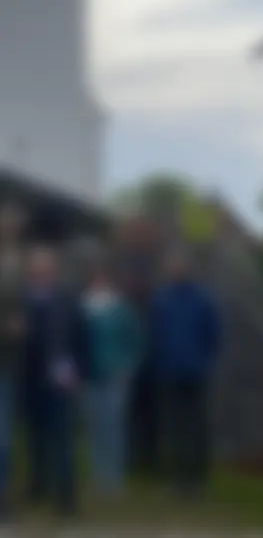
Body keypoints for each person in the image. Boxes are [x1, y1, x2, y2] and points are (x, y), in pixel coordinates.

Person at [21, 243, 89, 515]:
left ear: (54, 269)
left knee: (61, 438)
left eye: (46, 266)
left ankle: (66, 496)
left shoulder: (67, 298)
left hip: (60, 377)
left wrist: (79, 369)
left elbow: (81, 337)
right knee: (35, 436)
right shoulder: (24, 299)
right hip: (28, 378)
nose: (42, 271)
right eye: (37, 267)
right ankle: (39, 485)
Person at [148, 249, 220, 499]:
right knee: (175, 428)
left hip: (195, 372)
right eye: (172, 266)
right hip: (169, 372)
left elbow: (213, 334)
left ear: (187, 269)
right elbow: (155, 333)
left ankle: (197, 480)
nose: (175, 270)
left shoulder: (202, 299)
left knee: (196, 427)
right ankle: (178, 481)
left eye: (179, 266)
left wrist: (204, 360)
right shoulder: (161, 299)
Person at [83, 263, 144, 497]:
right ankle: (99, 477)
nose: (99, 285)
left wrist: (128, 367)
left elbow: (136, 339)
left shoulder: (122, 309)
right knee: (95, 427)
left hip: (115, 376)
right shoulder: (83, 307)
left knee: (114, 426)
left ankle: (114, 478)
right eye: (96, 281)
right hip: (90, 376)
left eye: (103, 281)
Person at [0, 206, 25, 521]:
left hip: (5, 364)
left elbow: (21, 320)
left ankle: (2, 499)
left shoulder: (17, 265)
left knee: (3, 437)